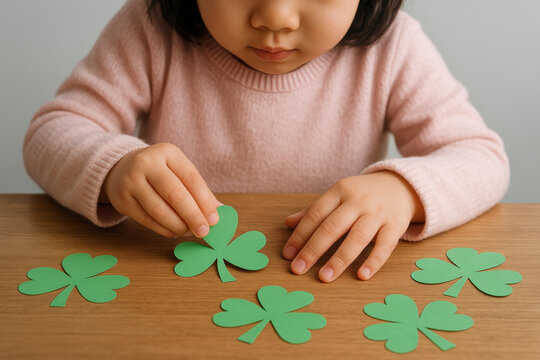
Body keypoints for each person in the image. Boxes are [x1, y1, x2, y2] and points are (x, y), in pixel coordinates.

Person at [23, 0, 509, 283]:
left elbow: (483, 159)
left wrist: (403, 190)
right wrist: (112, 167)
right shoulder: (150, 28)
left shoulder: (392, 47)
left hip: (328, 295)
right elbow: (51, 132)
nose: (275, 18)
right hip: (170, 288)